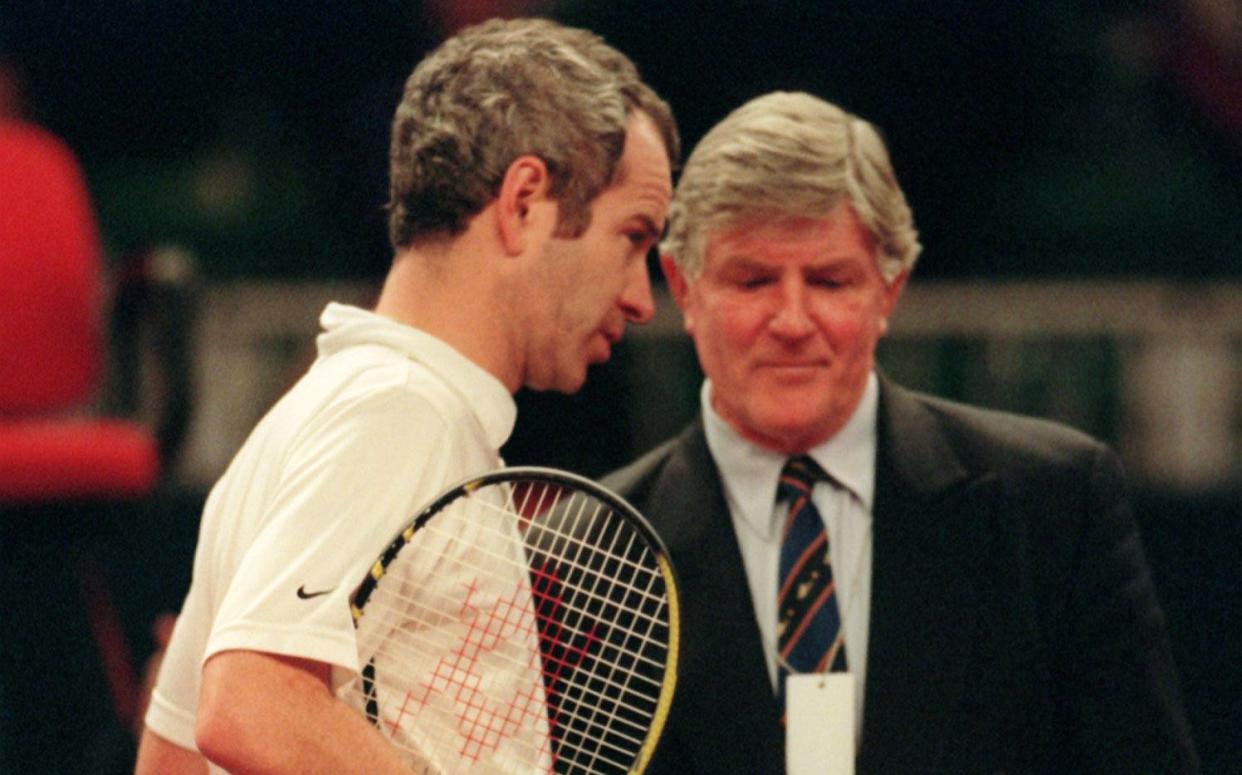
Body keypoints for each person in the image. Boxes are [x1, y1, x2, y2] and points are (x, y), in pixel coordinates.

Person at [135, 17, 677, 774]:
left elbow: (172, 757)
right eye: (634, 237)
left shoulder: (326, 412)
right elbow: (247, 702)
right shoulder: (400, 412)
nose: (640, 297)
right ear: (524, 202)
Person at [604, 91, 1198, 773]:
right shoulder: (585, 548)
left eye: (829, 281)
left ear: (890, 289)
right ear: (683, 286)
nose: (792, 320)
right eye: (754, 280)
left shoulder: (1054, 506)